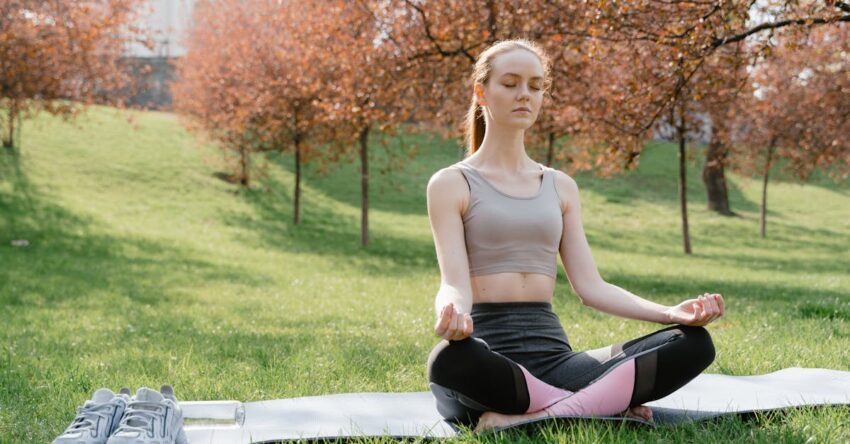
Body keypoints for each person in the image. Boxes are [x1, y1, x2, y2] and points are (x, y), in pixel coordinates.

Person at [424, 38, 725, 433]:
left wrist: (671, 313)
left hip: (556, 364)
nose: (524, 95)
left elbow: (592, 287)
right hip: (490, 362)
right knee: (448, 360)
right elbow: (453, 282)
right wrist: (452, 315)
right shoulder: (452, 183)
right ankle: (597, 405)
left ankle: (533, 417)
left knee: (693, 344)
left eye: (535, 85)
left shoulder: (560, 186)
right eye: (510, 83)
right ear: (481, 92)